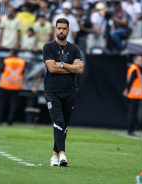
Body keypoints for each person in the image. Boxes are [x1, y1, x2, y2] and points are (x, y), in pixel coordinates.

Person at [43, 18, 84, 167]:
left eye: (64, 28)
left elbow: (79, 69)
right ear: (55, 29)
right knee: (58, 121)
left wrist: (60, 63)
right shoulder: (48, 47)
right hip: (52, 91)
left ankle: (54, 155)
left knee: (64, 125)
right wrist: (69, 67)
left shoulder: (74, 49)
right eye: (59, 28)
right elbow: (51, 68)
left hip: (70, 91)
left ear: (68, 30)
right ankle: (62, 155)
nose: (61, 31)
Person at [0, 49, 25, 125]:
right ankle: (10, 121)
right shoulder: (22, 62)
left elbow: (1, 70)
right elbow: (23, 72)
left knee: (1, 103)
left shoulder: (6, 60)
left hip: (5, 84)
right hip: (16, 86)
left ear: (12, 53)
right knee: (13, 105)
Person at [123, 55, 142, 136]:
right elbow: (131, 80)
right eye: (140, 60)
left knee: (132, 112)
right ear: (135, 61)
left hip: (134, 95)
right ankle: (130, 130)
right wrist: (127, 89)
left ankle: (131, 129)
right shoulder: (135, 69)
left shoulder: (134, 68)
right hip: (134, 95)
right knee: (132, 113)